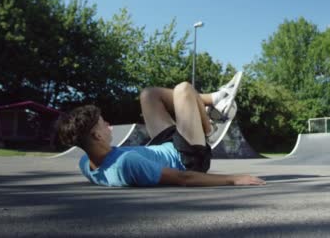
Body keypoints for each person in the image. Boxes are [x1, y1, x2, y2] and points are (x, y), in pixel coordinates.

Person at [56, 71, 265, 187]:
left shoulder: (86, 163)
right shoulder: (126, 163)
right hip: (187, 158)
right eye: (104, 123)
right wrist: (233, 179)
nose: (109, 125)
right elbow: (184, 178)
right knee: (183, 89)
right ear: (97, 135)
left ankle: (216, 99)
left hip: (162, 147)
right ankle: (209, 126)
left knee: (149, 95)